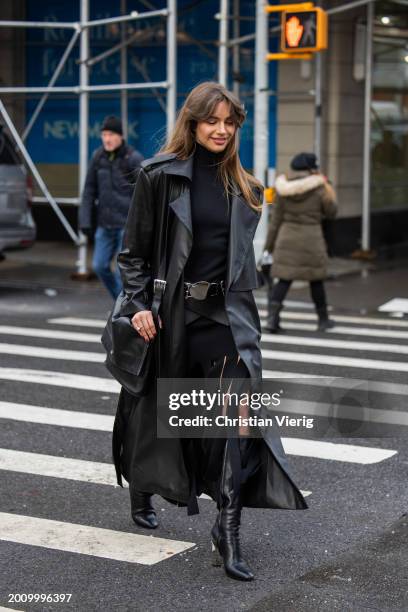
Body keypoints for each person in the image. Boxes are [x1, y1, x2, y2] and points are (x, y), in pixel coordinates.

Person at [112, 82, 307, 582]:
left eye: (229, 122)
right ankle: (143, 486)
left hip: (228, 322)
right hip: (172, 317)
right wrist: (137, 304)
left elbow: (239, 265)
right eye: (212, 121)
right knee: (157, 414)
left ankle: (228, 531)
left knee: (237, 425)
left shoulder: (247, 188)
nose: (221, 130)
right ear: (193, 123)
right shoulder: (159, 177)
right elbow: (133, 254)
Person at [264, 152, 337, 333]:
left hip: (286, 238)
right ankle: (323, 320)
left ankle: (272, 320)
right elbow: (331, 212)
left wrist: (268, 247)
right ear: (312, 168)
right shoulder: (320, 188)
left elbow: (275, 220)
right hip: (311, 239)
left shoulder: (282, 188)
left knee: (284, 280)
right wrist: (328, 188)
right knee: (316, 280)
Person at [79, 115, 143, 299]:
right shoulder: (98, 157)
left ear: (121, 136)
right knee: (99, 266)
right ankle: (121, 304)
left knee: (121, 272)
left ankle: (123, 308)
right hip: (104, 224)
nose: (107, 139)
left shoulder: (132, 158)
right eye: (104, 134)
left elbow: (145, 192)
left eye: (111, 134)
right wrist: (85, 220)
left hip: (126, 226)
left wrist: (139, 222)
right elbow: (89, 189)